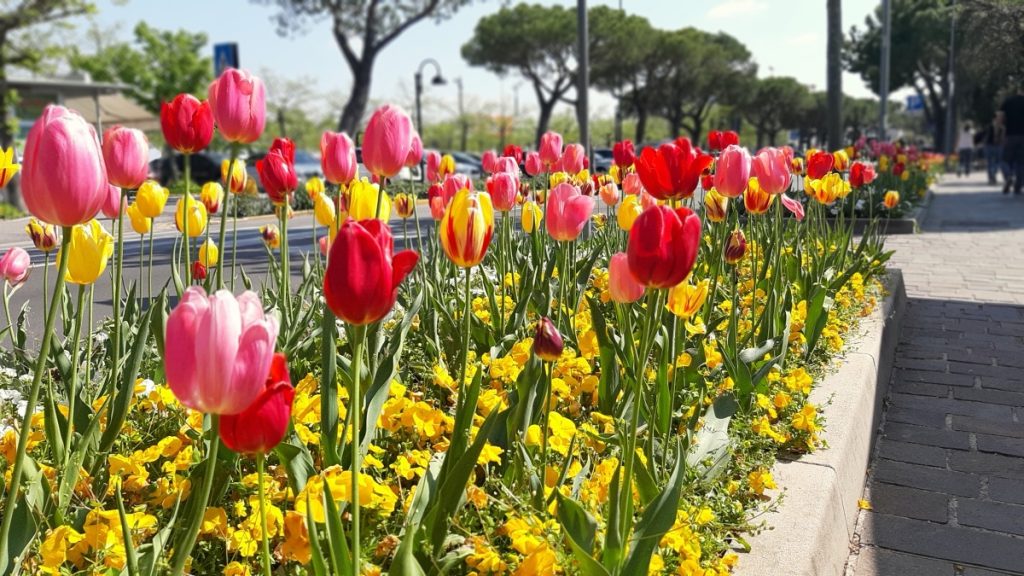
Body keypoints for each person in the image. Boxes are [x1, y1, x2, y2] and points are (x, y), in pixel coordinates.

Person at [999, 83, 1024, 195]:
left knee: (1005, 160)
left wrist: (1003, 128)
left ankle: (1008, 175)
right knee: (1021, 162)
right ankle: (1018, 186)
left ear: (1019, 89)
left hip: (1010, 135)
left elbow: (1000, 118)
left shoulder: (1008, 101)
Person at [983, 117, 1006, 185]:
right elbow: (1003, 138)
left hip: (988, 146)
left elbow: (984, 136)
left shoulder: (988, 127)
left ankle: (991, 178)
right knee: (998, 161)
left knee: (989, 163)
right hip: (998, 146)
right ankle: (994, 172)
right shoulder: (1002, 128)